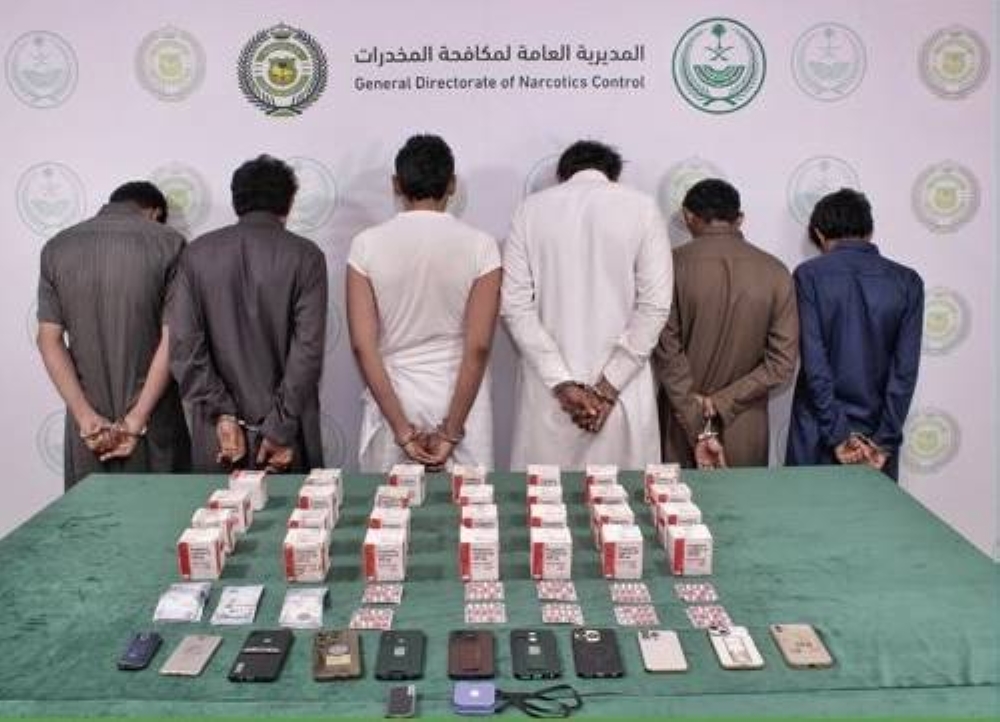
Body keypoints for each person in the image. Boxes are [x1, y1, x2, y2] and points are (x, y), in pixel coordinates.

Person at [502, 140, 672, 469]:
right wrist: (608, 388)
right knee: (625, 500)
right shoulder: (642, 209)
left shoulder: (530, 211)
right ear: (614, 175)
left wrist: (562, 383)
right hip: (622, 396)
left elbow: (515, 307)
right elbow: (654, 306)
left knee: (545, 498)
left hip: (549, 397)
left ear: (562, 175)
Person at [347, 135, 501, 471]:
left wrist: (402, 432)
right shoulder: (482, 246)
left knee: (390, 504)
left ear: (396, 185)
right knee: (469, 504)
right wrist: (452, 431)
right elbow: (478, 347)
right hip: (464, 402)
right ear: (452, 185)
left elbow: (362, 346)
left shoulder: (366, 245)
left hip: (394, 398)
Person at [168, 155, 327, 473]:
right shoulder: (306, 256)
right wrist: (279, 426)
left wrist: (223, 413)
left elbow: (184, 347)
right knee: (293, 507)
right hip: (287, 438)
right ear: (289, 202)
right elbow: (308, 351)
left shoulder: (196, 254)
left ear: (236, 200)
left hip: (219, 437)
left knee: (216, 507)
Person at [37, 181, 191, 489]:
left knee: (91, 515)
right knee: (163, 515)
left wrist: (85, 418)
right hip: (154, 425)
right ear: (154, 212)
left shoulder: (57, 247)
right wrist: (136, 420)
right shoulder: (170, 243)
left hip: (88, 435)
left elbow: (48, 339)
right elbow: (173, 337)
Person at [655, 178, 798, 469]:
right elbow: (782, 364)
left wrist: (694, 413)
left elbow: (667, 354)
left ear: (688, 216)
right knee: (744, 499)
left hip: (681, 424)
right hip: (745, 425)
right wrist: (723, 402)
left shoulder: (667, 265)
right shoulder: (775, 271)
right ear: (739, 218)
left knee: (673, 499)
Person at [786, 188, 923, 480]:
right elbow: (904, 372)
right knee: (871, 511)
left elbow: (815, 363)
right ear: (870, 231)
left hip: (817, 431)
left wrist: (838, 435)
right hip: (876, 436)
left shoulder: (808, 276)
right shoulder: (908, 281)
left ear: (819, 234)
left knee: (807, 509)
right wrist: (884, 441)